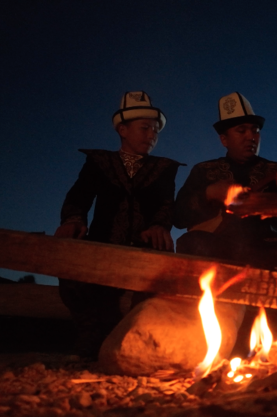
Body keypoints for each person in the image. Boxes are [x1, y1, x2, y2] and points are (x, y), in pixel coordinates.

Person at [174, 92, 277, 356]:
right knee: (191, 244)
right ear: (224, 139)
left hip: (269, 250)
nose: (251, 136)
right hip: (219, 253)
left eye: (255, 130)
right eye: (241, 130)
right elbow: (179, 217)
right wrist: (209, 193)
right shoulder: (204, 171)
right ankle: (201, 336)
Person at [55, 91, 184, 357]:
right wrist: (74, 219)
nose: (151, 135)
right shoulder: (99, 162)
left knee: (161, 278)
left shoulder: (164, 168)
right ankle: (91, 335)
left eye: (156, 130)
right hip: (103, 243)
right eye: (145, 128)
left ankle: (138, 340)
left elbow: (166, 204)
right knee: (70, 261)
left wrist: (160, 225)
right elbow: (79, 195)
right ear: (123, 130)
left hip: (147, 246)